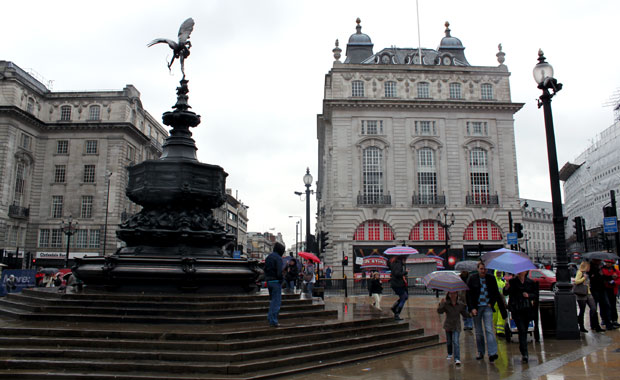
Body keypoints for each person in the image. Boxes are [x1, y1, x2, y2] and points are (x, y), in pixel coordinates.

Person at [466, 261, 506, 362]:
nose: (483, 271)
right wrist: (472, 308)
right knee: (479, 332)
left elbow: (495, 293)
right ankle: (481, 351)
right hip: (477, 307)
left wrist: (491, 303)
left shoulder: (491, 278)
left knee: (489, 330)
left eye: (485, 269)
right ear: (478, 269)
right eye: (481, 269)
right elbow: (469, 295)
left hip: (487, 306)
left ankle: (492, 353)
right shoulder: (472, 278)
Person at [503, 270, 538, 363]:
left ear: (526, 272)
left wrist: (528, 295)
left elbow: (535, 294)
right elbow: (506, 293)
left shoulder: (530, 282)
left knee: (524, 330)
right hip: (516, 309)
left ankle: (523, 349)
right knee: (521, 330)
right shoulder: (512, 282)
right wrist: (506, 288)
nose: (520, 272)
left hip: (526, 309)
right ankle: (525, 353)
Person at [437, 291, 470, 366]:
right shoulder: (446, 304)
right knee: (449, 342)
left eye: (454, 293)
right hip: (448, 325)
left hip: (456, 326)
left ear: (456, 294)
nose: (453, 295)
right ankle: (449, 353)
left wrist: (471, 314)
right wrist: (441, 304)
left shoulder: (460, 305)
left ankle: (457, 358)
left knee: (456, 341)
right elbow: (440, 311)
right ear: (448, 295)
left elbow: (465, 314)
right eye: (451, 294)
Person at [574, 261, 602, 332]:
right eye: (588, 266)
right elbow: (576, 281)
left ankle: (596, 326)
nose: (589, 268)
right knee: (582, 310)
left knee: (593, 308)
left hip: (588, 293)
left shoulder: (587, 273)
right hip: (581, 294)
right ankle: (581, 326)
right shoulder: (580, 272)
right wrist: (584, 278)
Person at [589, 259, 615, 330]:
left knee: (606, 305)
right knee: (594, 307)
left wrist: (611, 277)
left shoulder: (599, 267)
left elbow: (603, 277)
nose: (601, 261)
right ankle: (595, 325)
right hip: (595, 289)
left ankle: (608, 323)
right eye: (599, 260)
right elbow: (592, 278)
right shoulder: (590, 268)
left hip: (602, 289)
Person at [264, 242, 285, 327]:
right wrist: (281, 279)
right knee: (276, 302)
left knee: (272, 301)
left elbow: (265, 269)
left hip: (269, 281)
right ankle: (273, 320)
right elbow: (279, 271)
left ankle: (270, 318)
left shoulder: (268, 257)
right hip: (276, 281)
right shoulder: (278, 258)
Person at [601, 260, 620, 328]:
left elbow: (619, 279)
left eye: (609, 263)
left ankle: (614, 319)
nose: (608, 264)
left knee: (613, 305)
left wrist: (614, 282)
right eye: (607, 262)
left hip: (613, 289)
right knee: (605, 305)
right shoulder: (602, 269)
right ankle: (604, 319)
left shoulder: (616, 270)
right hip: (605, 289)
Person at [389, 255, 408, 321]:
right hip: (398, 284)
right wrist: (405, 272)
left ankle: (394, 308)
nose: (405, 262)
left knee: (405, 296)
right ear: (402, 259)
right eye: (405, 260)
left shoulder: (395, 263)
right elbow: (397, 274)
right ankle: (397, 313)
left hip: (396, 284)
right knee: (404, 297)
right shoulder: (398, 264)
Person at [492, 270, 507, 336]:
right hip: (494, 302)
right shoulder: (492, 281)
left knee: (501, 317)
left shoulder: (503, 281)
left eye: (500, 273)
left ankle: (500, 331)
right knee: (495, 318)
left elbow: (505, 292)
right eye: (497, 273)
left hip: (501, 302)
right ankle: (497, 330)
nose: (498, 274)